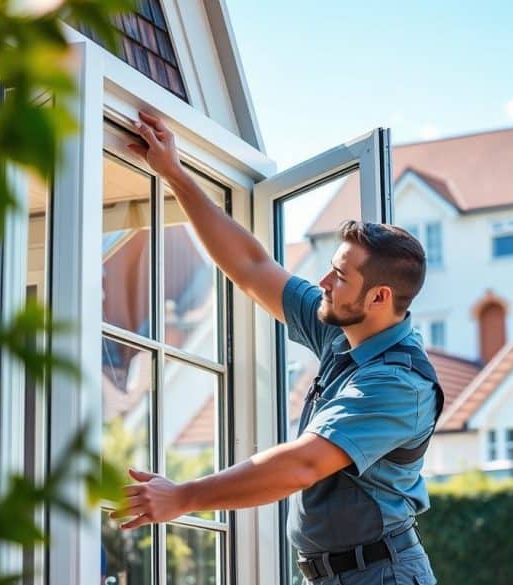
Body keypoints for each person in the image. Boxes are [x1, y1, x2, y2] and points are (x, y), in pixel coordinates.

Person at [111, 111, 441, 584]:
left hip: (381, 575)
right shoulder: (341, 328)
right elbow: (251, 267)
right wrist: (175, 175)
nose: (323, 282)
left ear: (379, 298)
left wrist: (182, 497)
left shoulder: (396, 383)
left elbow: (302, 464)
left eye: (340, 277)